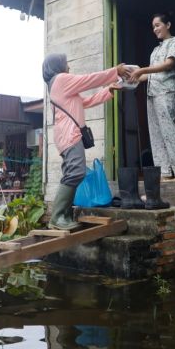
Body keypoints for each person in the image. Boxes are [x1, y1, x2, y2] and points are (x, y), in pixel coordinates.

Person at [42, 53, 129, 230]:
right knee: (75, 172)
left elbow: (85, 102)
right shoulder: (60, 80)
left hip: (67, 135)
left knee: (73, 173)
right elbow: (89, 80)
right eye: (66, 63)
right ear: (57, 66)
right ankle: (57, 217)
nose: (69, 66)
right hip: (69, 135)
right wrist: (115, 71)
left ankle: (64, 216)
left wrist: (108, 91)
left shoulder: (59, 85)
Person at [129, 12, 175, 182]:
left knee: (169, 131)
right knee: (155, 134)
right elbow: (148, 76)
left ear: (167, 25)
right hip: (152, 93)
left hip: (166, 91)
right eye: (153, 27)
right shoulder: (155, 50)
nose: (155, 29)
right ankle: (165, 171)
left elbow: (169, 64)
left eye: (158, 25)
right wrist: (128, 81)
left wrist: (142, 70)